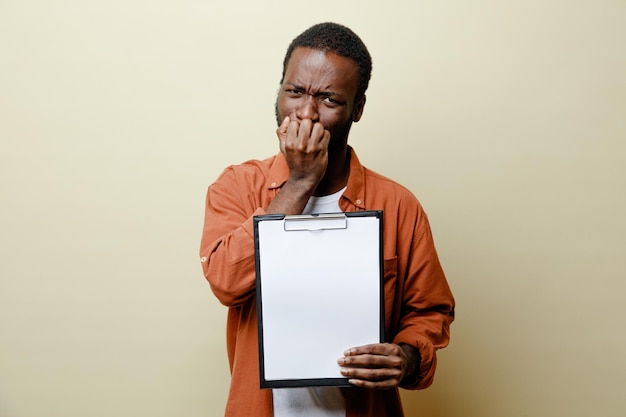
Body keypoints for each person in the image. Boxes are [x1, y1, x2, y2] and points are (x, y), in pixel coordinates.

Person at [199, 22, 455, 417]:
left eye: (329, 99)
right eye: (294, 91)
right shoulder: (236, 186)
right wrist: (300, 181)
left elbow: (429, 313)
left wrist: (405, 357)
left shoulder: (399, 205)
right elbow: (226, 282)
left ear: (358, 108)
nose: (306, 113)